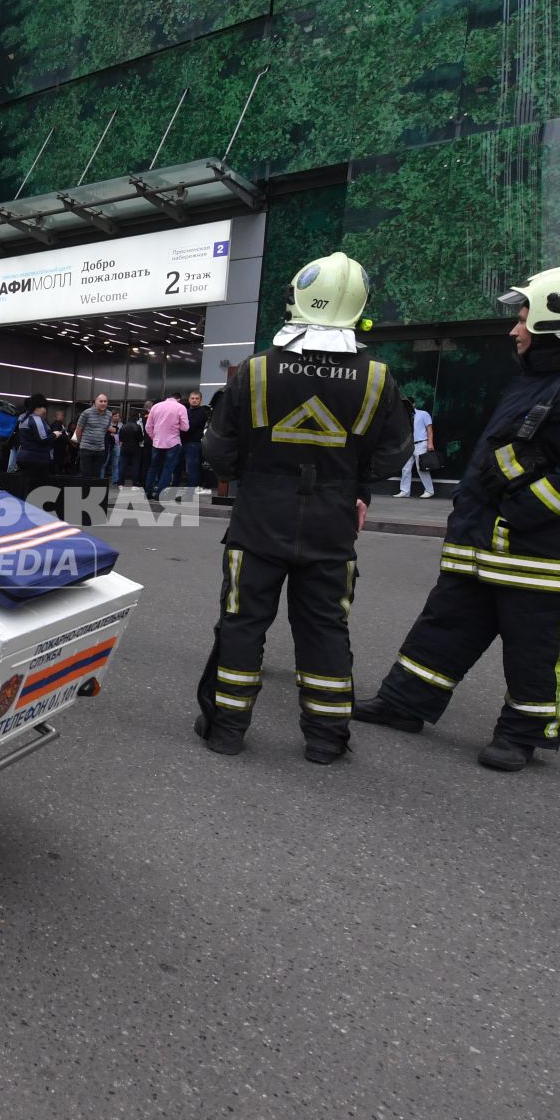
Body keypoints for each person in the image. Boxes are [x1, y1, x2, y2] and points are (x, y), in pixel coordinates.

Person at [354, 265, 560, 773]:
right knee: (444, 626)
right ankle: (403, 704)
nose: (514, 329)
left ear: (557, 320)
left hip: (544, 556)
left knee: (538, 649)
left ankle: (522, 735)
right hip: (480, 546)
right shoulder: (536, 381)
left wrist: (525, 510)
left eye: (524, 317)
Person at [195, 251, 412, 763]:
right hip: (332, 523)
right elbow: (393, 454)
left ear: (297, 298)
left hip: (258, 520)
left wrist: (258, 467)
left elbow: (218, 452)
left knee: (243, 622)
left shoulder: (256, 371)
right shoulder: (379, 378)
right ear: (358, 307)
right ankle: (325, 739)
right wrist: (351, 481)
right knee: (325, 629)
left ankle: (227, 729)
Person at [145, 392, 188, 500]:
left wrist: (154, 437)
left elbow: (148, 427)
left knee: (153, 468)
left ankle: (148, 492)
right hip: (173, 443)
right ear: (178, 399)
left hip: (157, 442)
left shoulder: (155, 407)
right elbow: (185, 428)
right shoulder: (180, 407)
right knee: (168, 469)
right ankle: (160, 494)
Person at [14, 394, 55, 500]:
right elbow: (43, 439)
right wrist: (55, 435)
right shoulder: (36, 419)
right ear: (38, 407)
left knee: (24, 488)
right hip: (36, 460)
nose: (45, 410)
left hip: (24, 457)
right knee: (35, 491)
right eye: (44, 407)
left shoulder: (23, 418)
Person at [396, 398, 436, 497]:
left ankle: (429, 490)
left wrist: (430, 443)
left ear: (413, 404)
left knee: (421, 467)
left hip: (421, 443)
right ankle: (405, 491)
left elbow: (429, 429)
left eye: (408, 404)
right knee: (405, 468)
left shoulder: (423, 414)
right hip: (409, 445)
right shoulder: (403, 417)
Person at [75, 393, 113, 481]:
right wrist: (82, 443)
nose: (103, 403)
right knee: (86, 476)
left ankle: (94, 495)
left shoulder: (109, 414)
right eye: (101, 401)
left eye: (105, 401)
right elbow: (78, 430)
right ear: (96, 402)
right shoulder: (87, 413)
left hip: (100, 450)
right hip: (86, 449)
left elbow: (105, 429)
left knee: (96, 476)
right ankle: (84, 494)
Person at [181, 390, 209, 492]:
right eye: (192, 398)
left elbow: (191, 425)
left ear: (200, 400)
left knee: (192, 468)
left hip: (193, 443)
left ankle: (191, 490)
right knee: (183, 467)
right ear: (189, 399)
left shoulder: (202, 412)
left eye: (197, 399)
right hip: (183, 442)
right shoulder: (186, 411)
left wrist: (180, 424)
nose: (194, 400)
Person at [118, 401, 149, 488]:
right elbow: (140, 439)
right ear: (136, 418)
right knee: (135, 466)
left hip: (124, 447)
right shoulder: (137, 427)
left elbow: (120, 439)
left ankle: (121, 483)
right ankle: (134, 484)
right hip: (135, 448)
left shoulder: (123, 426)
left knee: (123, 465)